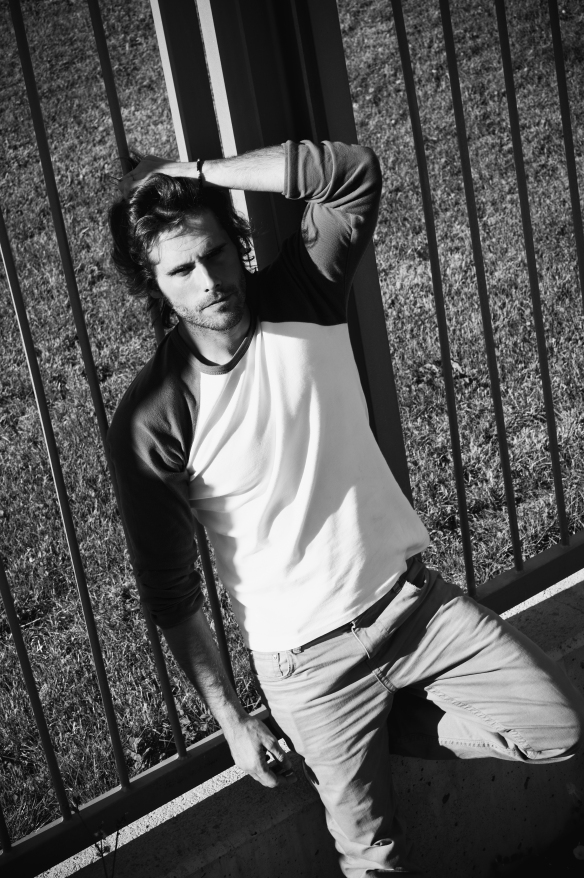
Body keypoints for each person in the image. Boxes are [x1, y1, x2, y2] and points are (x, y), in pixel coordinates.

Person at [108, 141, 584, 876]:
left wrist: (193, 173)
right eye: (181, 270)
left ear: (236, 243)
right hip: (306, 668)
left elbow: (351, 173)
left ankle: (376, 728)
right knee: (373, 861)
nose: (208, 280)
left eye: (216, 253)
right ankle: (345, 733)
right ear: (154, 283)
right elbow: (171, 593)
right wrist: (233, 721)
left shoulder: (304, 295)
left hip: (414, 610)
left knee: (558, 727)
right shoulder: (153, 417)